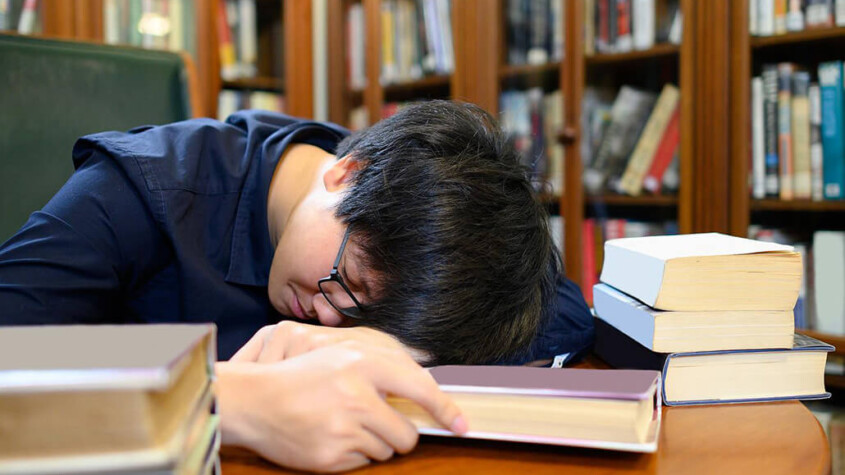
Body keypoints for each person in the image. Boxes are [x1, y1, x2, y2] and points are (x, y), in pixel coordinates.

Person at [0, 100, 593, 471]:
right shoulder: (135, 192)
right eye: (346, 282)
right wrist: (224, 401)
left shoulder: (409, 193)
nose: (332, 320)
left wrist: (387, 344)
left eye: (366, 316)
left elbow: (566, 312)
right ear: (343, 175)